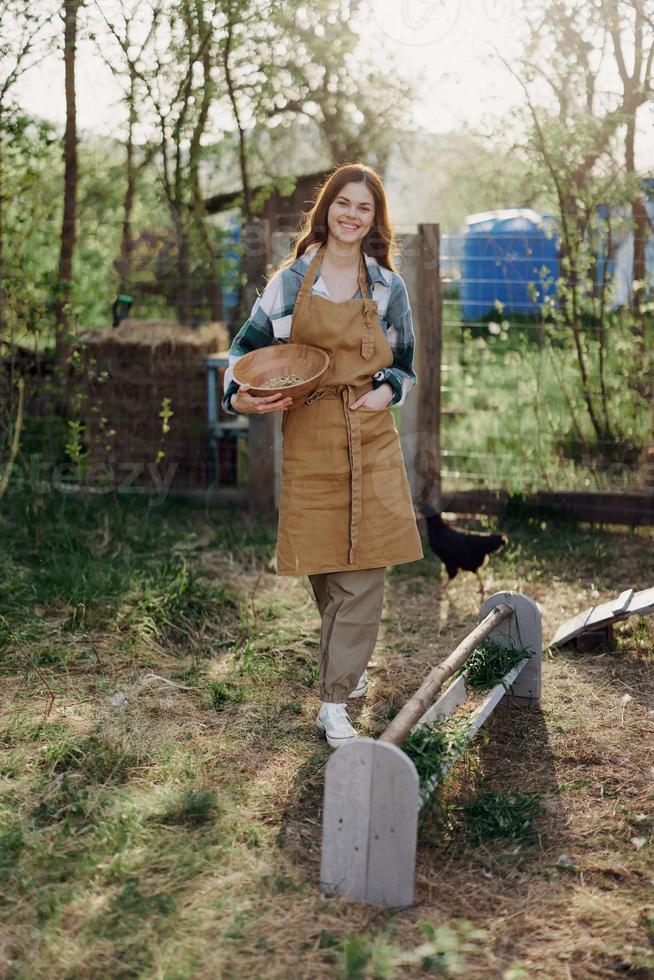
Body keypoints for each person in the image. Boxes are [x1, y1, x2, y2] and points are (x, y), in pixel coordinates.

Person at [222, 163, 423, 748]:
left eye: (365, 208)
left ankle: (334, 702)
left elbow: (405, 362)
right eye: (344, 203)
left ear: (373, 220)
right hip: (309, 433)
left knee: (366, 566)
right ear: (327, 209)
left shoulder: (387, 286)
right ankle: (349, 666)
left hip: (370, 431)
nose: (352, 215)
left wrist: (386, 389)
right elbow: (244, 354)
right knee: (328, 565)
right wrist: (242, 398)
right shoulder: (290, 282)